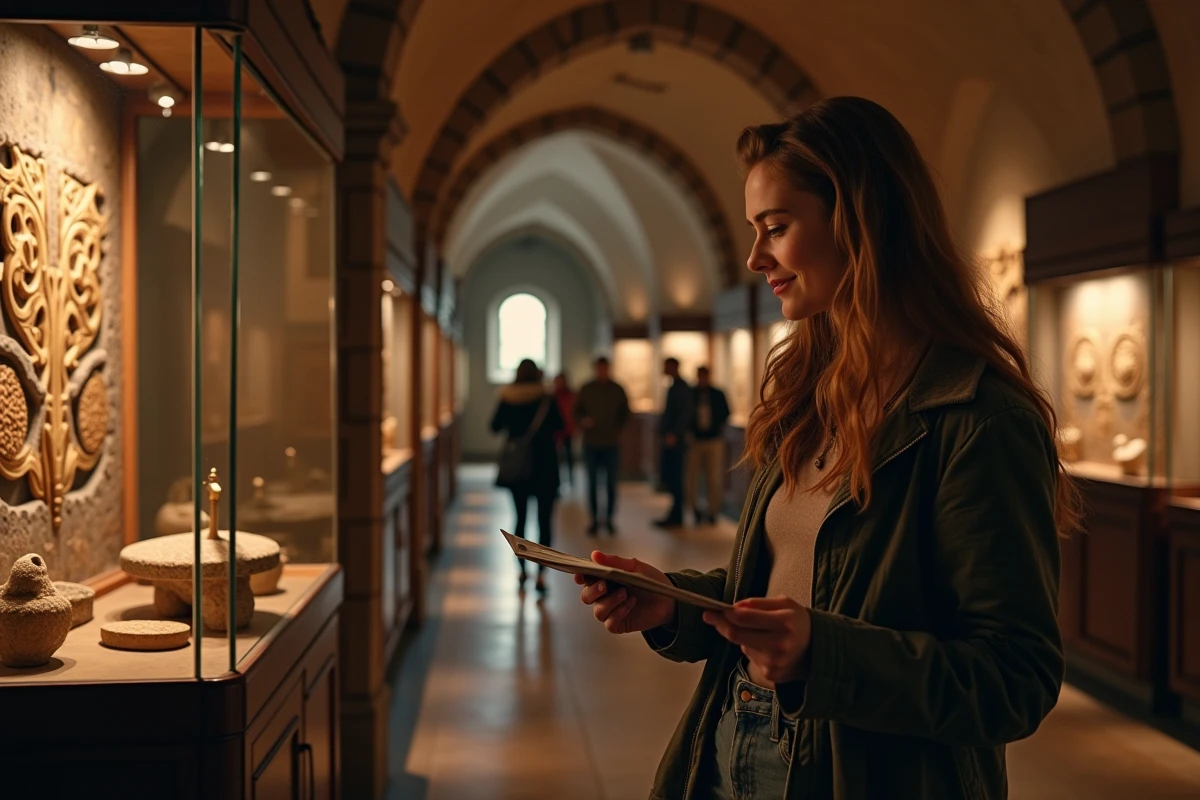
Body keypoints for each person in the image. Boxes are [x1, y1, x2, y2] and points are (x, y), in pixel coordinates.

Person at [575, 96, 1078, 798]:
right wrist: (673, 605)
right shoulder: (807, 397)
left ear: (858, 218)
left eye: (775, 227)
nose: (755, 257)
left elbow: (1012, 680)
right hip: (736, 736)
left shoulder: (979, 419)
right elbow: (786, 589)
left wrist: (825, 652)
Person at [490, 359, 564, 595]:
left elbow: (494, 426)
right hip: (545, 466)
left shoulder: (508, 397)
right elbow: (560, 425)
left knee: (520, 519)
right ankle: (542, 574)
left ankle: (521, 570)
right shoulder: (546, 398)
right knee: (545, 522)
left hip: (518, 470)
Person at [574, 356, 631, 535]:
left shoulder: (617, 389)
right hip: (591, 443)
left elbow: (625, 412)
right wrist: (583, 421)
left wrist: (617, 429)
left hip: (611, 443)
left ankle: (609, 518)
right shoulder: (587, 389)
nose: (602, 372)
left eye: (605, 368)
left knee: (610, 483)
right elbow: (576, 411)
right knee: (592, 483)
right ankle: (593, 519)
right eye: (599, 369)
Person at [685, 366, 731, 525]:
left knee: (714, 477)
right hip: (696, 440)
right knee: (693, 477)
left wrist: (716, 427)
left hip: (713, 439)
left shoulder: (717, 394)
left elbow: (725, 413)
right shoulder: (691, 394)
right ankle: (695, 509)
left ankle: (712, 510)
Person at [654, 357, 692, 528]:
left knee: (675, 477)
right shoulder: (675, 386)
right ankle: (675, 513)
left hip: (675, 440)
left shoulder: (681, 387)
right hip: (672, 438)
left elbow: (684, 414)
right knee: (672, 477)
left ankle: (677, 515)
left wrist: (674, 434)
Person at [552, 373, 577, 487]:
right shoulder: (552, 396)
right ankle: (557, 481)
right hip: (556, 432)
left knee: (569, 456)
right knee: (555, 458)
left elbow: (574, 412)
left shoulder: (571, 395)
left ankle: (571, 480)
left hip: (567, 430)